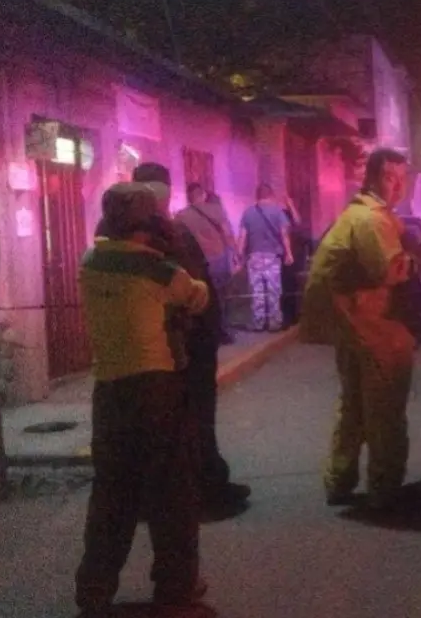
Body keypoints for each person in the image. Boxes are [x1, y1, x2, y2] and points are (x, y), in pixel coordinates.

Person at [75, 182, 210, 615]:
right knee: (171, 494)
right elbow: (198, 297)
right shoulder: (158, 270)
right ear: (151, 222)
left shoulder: (91, 261)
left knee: (111, 494)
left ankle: (94, 590)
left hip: (108, 389)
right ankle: (176, 588)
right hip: (156, 387)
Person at [130, 163, 251, 513]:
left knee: (193, 418)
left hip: (186, 341)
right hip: (179, 344)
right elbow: (186, 288)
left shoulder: (163, 232)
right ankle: (200, 491)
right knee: (188, 419)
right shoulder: (156, 238)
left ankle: (210, 479)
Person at [304, 148, 416, 510]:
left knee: (352, 406)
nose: (397, 185)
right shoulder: (371, 219)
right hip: (371, 327)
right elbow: (389, 270)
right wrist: (417, 257)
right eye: (389, 177)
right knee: (385, 409)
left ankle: (339, 481)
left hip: (351, 326)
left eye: (402, 177)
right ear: (371, 178)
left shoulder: (356, 214)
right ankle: (385, 489)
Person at [175, 184, 238, 345]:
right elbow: (227, 232)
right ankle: (222, 330)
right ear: (202, 195)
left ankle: (207, 332)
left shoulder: (181, 216)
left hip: (196, 261)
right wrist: (236, 253)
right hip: (218, 257)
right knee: (221, 296)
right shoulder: (216, 210)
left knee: (202, 297)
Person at [238, 184, 293, 332]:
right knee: (273, 289)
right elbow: (284, 234)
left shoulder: (248, 213)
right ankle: (274, 322)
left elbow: (243, 236)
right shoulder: (278, 212)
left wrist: (239, 254)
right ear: (270, 195)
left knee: (257, 290)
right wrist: (289, 253)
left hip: (254, 256)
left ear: (257, 195)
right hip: (272, 256)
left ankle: (258, 322)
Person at [280, 195, 305, 329]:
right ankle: (287, 316)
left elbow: (297, 221)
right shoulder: (278, 214)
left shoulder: (289, 215)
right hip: (282, 256)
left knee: (292, 286)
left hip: (292, 256)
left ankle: (293, 315)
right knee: (285, 287)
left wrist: (291, 206)